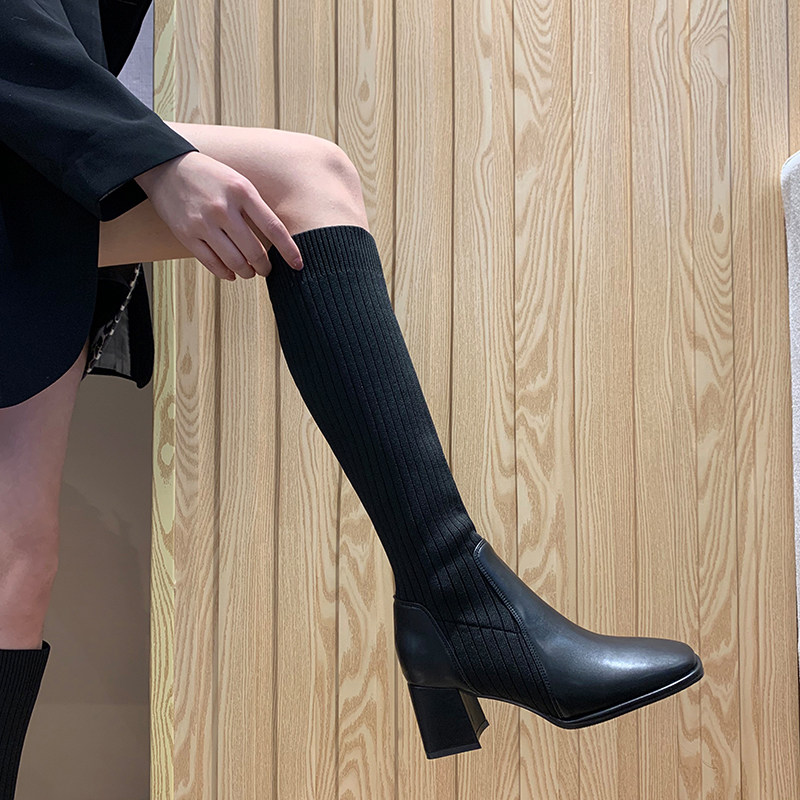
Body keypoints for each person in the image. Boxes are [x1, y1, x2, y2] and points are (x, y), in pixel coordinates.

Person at [0, 0, 705, 794]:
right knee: (307, 180)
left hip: (32, 156)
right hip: (29, 142)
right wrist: (153, 160)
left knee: (19, 562)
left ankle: (457, 605)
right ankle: (456, 600)